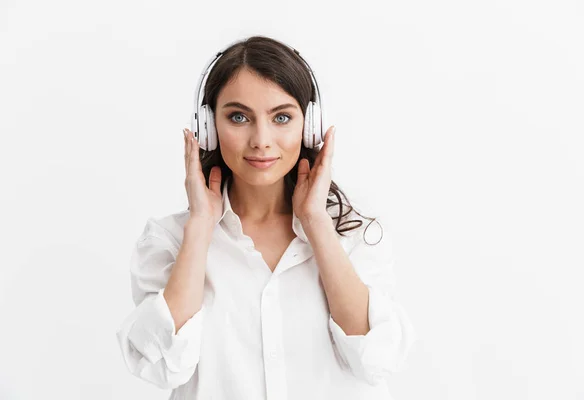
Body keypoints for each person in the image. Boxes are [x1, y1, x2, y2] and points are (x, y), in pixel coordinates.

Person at [115, 35, 416, 400]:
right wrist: (200, 228)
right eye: (238, 117)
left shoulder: (353, 236)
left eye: (282, 117)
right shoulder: (170, 241)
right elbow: (163, 366)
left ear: (310, 125)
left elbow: (375, 359)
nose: (261, 139)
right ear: (208, 128)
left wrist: (316, 222)